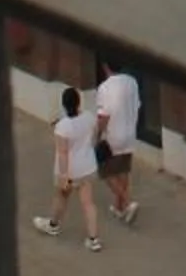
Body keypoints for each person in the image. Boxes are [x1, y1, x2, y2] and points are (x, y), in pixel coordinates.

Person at [32, 84, 103, 251]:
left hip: (70, 171)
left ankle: (53, 224)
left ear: (64, 105)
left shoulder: (62, 127)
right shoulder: (89, 117)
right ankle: (94, 239)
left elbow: (63, 153)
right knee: (88, 203)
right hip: (87, 167)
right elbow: (94, 137)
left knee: (61, 197)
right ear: (79, 103)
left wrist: (64, 175)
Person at [92, 62, 143, 228]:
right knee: (123, 169)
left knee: (105, 170)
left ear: (105, 66)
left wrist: (97, 137)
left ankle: (128, 203)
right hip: (130, 132)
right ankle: (119, 207)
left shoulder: (105, 87)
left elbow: (103, 117)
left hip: (114, 134)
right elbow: (137, 106)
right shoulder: (132, 81)